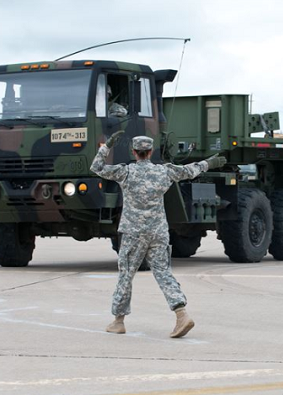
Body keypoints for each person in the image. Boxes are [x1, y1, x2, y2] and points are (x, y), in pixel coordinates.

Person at [90, 131, 226, 338]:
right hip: (158, 232)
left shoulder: (125, 172)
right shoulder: (165, 172)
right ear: (151, 152)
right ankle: (181, 314)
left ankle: (118, 320)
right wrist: (210, 163)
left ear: (134, 152)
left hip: (133, 232)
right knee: (163, 273)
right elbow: (191, 170)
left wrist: (106, 146)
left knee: (126, 275)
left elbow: (96, 168)